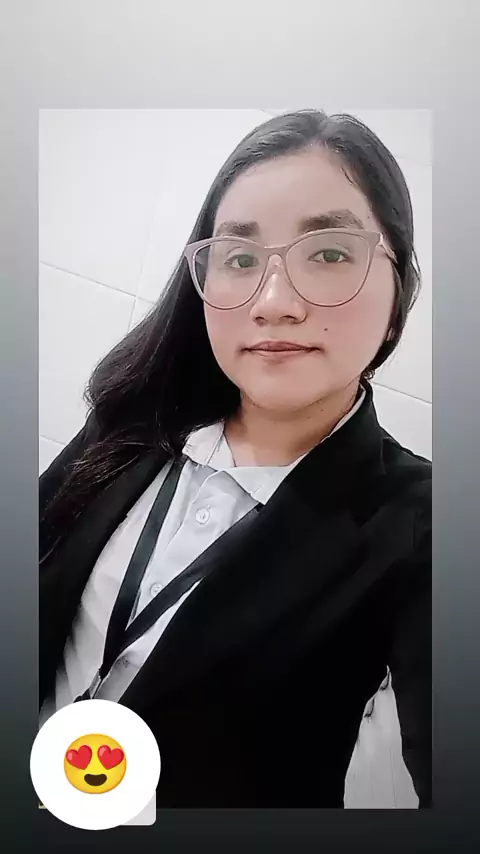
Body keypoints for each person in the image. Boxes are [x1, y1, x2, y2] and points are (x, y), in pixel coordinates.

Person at [39, 109, 431, 808]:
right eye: (241, 259)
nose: (274, 303)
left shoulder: (423, 525)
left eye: (329, 253)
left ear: (400, 291)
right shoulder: (135, 421)